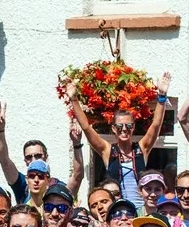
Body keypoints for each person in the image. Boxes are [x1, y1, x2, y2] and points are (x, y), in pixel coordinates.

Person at [67, 72, 171, 211]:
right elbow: (86, 127)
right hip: (118, 211)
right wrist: (74, 99)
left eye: (128, 126)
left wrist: (162, 96)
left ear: (133, 127)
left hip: (141, 210)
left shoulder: (141, 149)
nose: (124, 129)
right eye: (120, 126)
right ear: (113, 129)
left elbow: (156, 125)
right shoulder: (108, 151)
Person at [0, 102, 82, 205]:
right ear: (25, 161)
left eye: (38, 156)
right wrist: (0, 130)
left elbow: (77, 177)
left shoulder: (59, 187)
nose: (34, 159)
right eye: (29, 157)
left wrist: (77, 144)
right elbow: (4, 161)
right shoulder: (23, 184)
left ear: (46, 157)